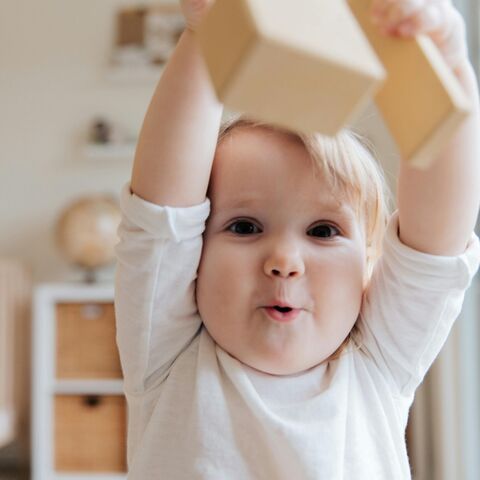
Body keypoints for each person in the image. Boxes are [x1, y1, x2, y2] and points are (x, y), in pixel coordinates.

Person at [114, 0, 480, 478]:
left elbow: (436, 244)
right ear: (194, 257)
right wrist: (208, 34)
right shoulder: (168, 352)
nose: (284, 261)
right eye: (245, 227)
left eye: (323, 232)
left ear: (367, 266)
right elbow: (161, 217)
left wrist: (449, 67)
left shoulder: (377, 360)